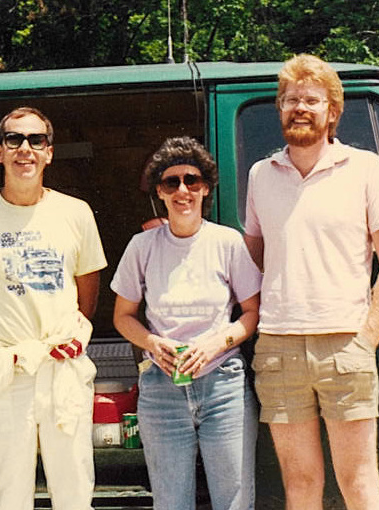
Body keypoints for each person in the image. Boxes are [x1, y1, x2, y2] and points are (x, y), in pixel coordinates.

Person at [243, 54, 379, 510]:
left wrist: (366, 339)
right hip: (278, 346)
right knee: (300, 484)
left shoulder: (366, 169)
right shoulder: (260, 175)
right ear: (280, 109)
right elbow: (255, 252)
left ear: (332, 112)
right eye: (290, 99)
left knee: (359, 484)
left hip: (346, 343)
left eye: (312, 100)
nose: (300, 108)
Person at [0, 107, 107, 510]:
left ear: (49, 152)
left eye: (36, 140)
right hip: (6, 374)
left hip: (62, 370)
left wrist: (60, 342)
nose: (25, 149)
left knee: (74, 489)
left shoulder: (76, 214)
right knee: (9, 491)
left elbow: (87, 297)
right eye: (14, 140)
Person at [112, 136, 262, 510]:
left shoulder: (227, 242)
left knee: (234, 502)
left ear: (205, 188)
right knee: (171, 503)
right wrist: (152, 342)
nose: (183, 190)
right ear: (159, 192)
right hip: (162, 389)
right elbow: (123, 317)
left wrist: (215, 344)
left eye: (192, 180)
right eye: (171, 182)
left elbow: (252, 312)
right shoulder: (142, 247)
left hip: (223, 385)